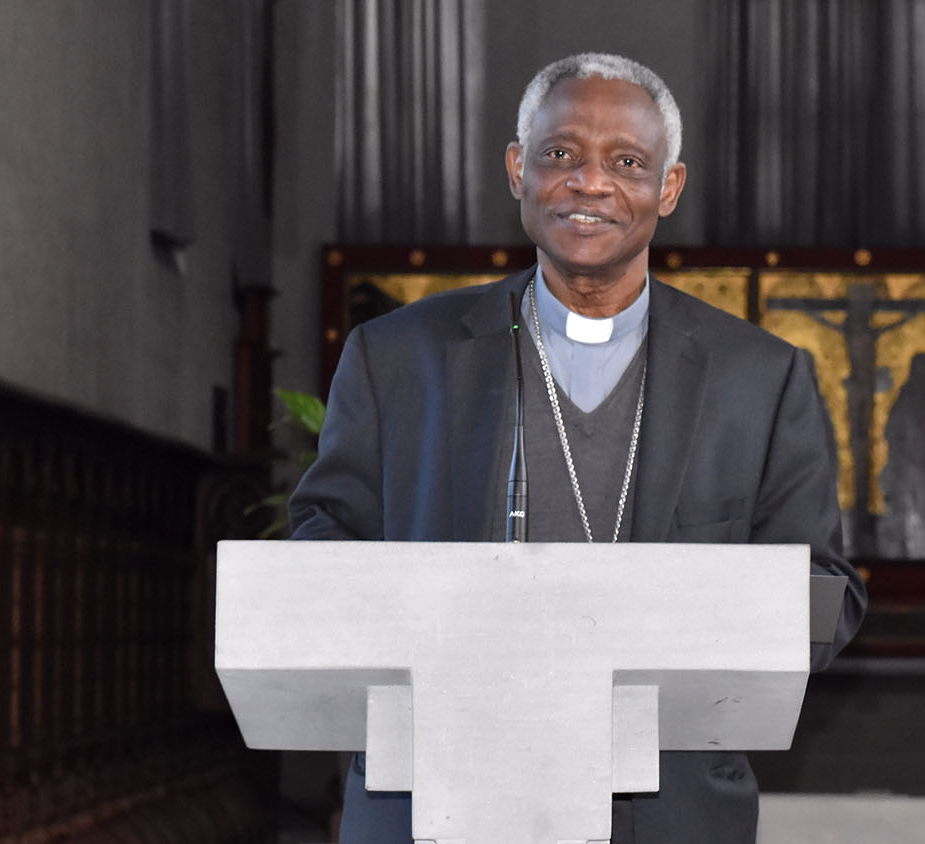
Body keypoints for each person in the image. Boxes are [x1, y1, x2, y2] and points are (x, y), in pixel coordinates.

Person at [287, 53, 866, 844]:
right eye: (560, 154)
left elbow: (825, 591)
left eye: (626, 162)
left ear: (668, 187)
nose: (589, 182)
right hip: (432, 792)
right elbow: (324, 543)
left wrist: (693, 621)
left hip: (664, 808)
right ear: (519, 169)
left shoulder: (758, 380)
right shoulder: (396, 358)